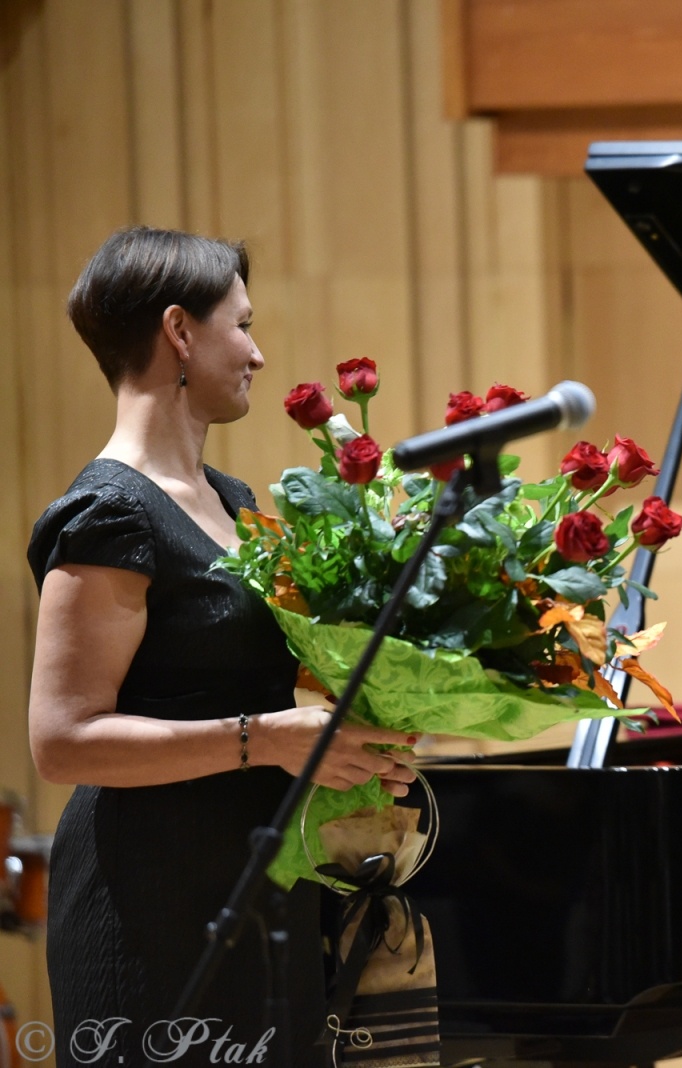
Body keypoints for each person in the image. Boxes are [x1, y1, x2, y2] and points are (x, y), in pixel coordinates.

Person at [28, 228, 417, 1066]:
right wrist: (266, 738)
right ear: (179, 332)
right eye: (240, 325)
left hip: (255, 893)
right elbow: (61, 742)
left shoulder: (233, 502)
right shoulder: (109, 515)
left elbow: (255, 686)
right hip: (151, 910)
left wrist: (357, 739)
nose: (259, 353)